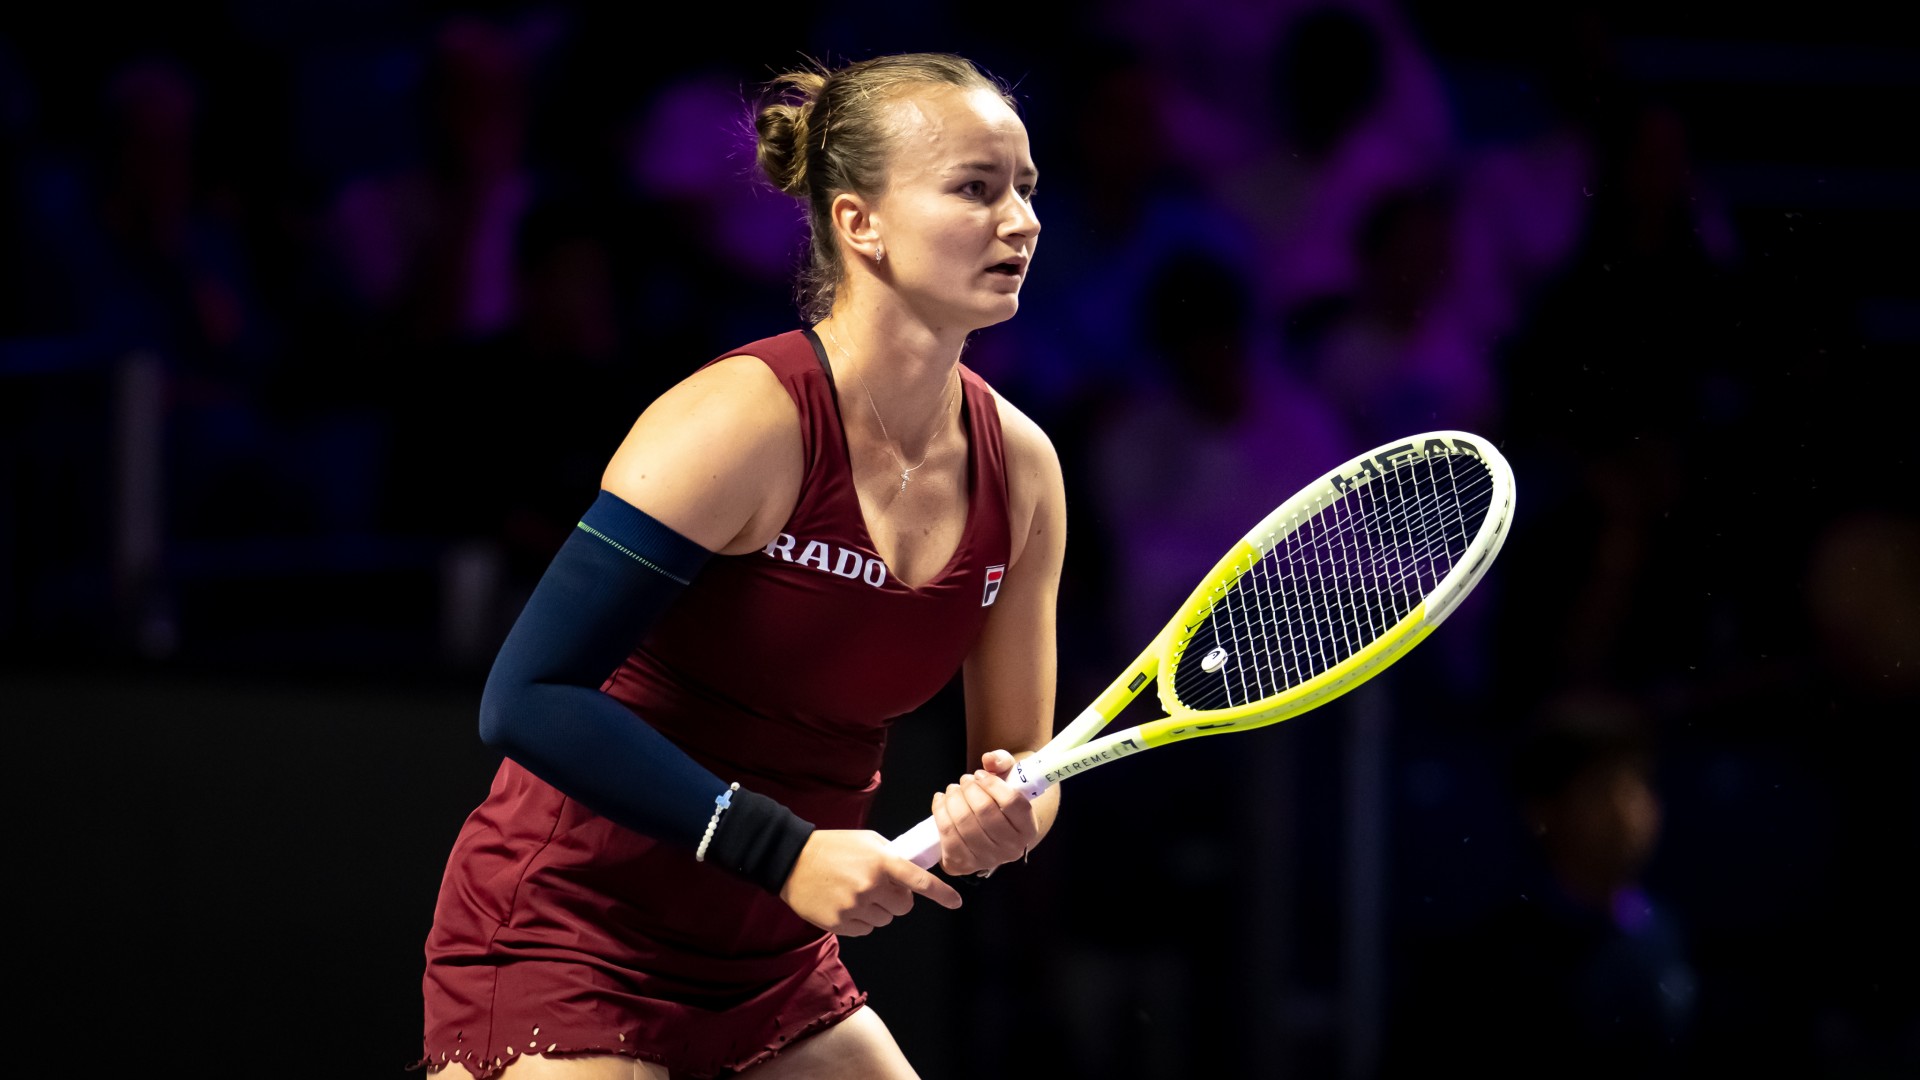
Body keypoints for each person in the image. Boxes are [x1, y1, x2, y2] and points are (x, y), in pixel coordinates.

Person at [413, 51, 1062, 1080]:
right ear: (860, 222)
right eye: (976, 189)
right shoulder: (740, 423)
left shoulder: (1022, 471)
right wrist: (784, 851)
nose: (1019, 221)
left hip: (772, 965)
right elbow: (525, 697)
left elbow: (1022, 761)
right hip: (572, 933)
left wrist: (1005, 820)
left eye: (1024, 187)